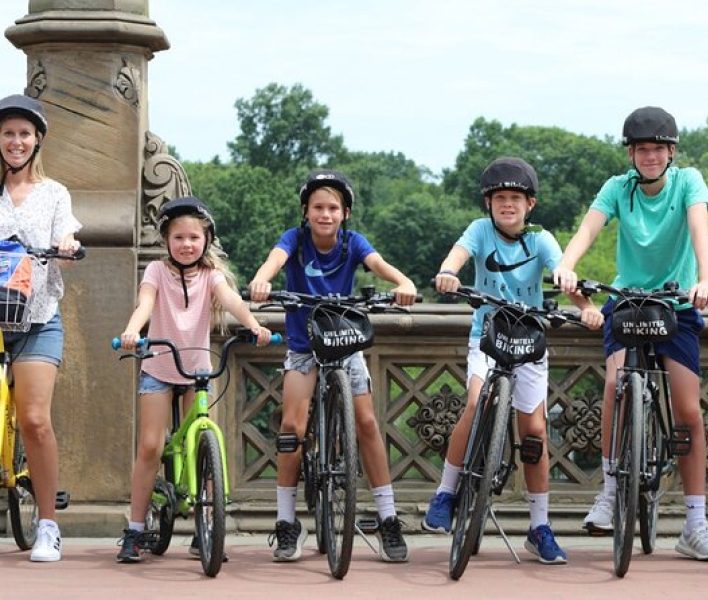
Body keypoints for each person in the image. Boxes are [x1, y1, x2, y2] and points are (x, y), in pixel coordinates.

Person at [552, 106, 708, 561]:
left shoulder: (689, 181)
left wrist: (705, 278)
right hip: (627, 304)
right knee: (615, 385)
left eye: (657, 149)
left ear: (671, 152)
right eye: (641, 149)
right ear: (631, 153)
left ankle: (694, 523)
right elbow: (586, 230)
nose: (649, 156)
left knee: (688, 411)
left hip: (676, 306)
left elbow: (699, 231)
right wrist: (566, 266)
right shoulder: (618, 188)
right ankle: (610, 492)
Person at [421, 157, 603, 565]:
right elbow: (457, 256)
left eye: (515, 199)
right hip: (487, 338)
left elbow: (562, 272)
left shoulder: (540, 239)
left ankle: (539, 527)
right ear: (489, 203)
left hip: (529, 344)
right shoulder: (480, 230)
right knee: (473, 402)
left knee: (535, 432)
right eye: (500, 198)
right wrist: (448, 272)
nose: (507, 205)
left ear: (530, 205)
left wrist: (586, 305)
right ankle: (446, 493)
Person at [249, 169, 417, 563]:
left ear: (345, 213)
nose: (325, 215)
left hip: (344, 343)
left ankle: (388, 517)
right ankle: (287, 522)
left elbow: (379, 265)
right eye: (318, 208)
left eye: (333, 208)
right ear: (305, 212)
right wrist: (260, 280)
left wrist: (403, 282)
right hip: (304, 345)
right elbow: (274, 260)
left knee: (368, 423)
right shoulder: (295, 240)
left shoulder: (352, 244)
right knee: (292, 426)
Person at [115, 196, 272, 563]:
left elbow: (231, 300)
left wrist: (253, 325)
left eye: (194, 238)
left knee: (204, 439)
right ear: (166, 241)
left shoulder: (211, 276)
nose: (187, 244)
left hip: (198, 369)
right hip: (158, 364)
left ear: (206, 241)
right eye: (179, 238)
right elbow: (145, 304)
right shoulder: (155, 271)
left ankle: (208, 527)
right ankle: (135, 530)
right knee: (151, 447)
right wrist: (132, 331)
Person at [0, 94, 81, 562]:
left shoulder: (54, 193)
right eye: (8, 133)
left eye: (24, 134)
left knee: (34, 419)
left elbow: (66, 235)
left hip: (36, 318)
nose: (16, 141)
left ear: (37, 141)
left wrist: (67, 245)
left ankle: (48, 524)